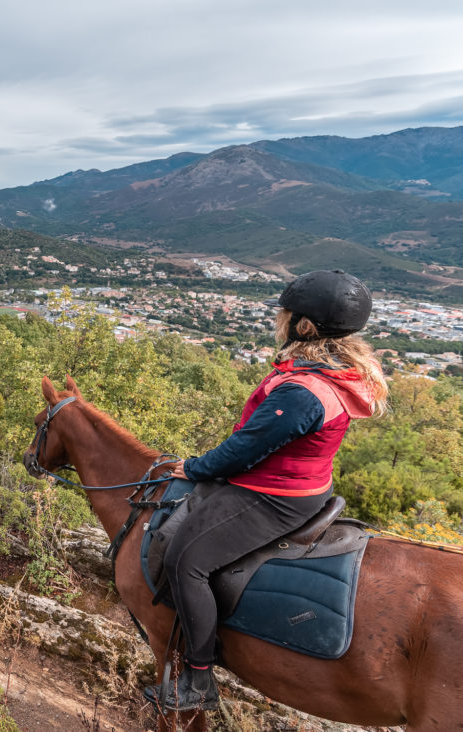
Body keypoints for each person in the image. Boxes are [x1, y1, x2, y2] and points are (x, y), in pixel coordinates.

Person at [144, 270, 389, 712]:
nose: (280, 318)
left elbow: (244, 450)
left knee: (186, 562)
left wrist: (195, 466)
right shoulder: (331, 371)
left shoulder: (302, 390)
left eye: (287, 313)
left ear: (305, 326)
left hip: (272, 495)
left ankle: (199, 680)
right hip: (305, 484)